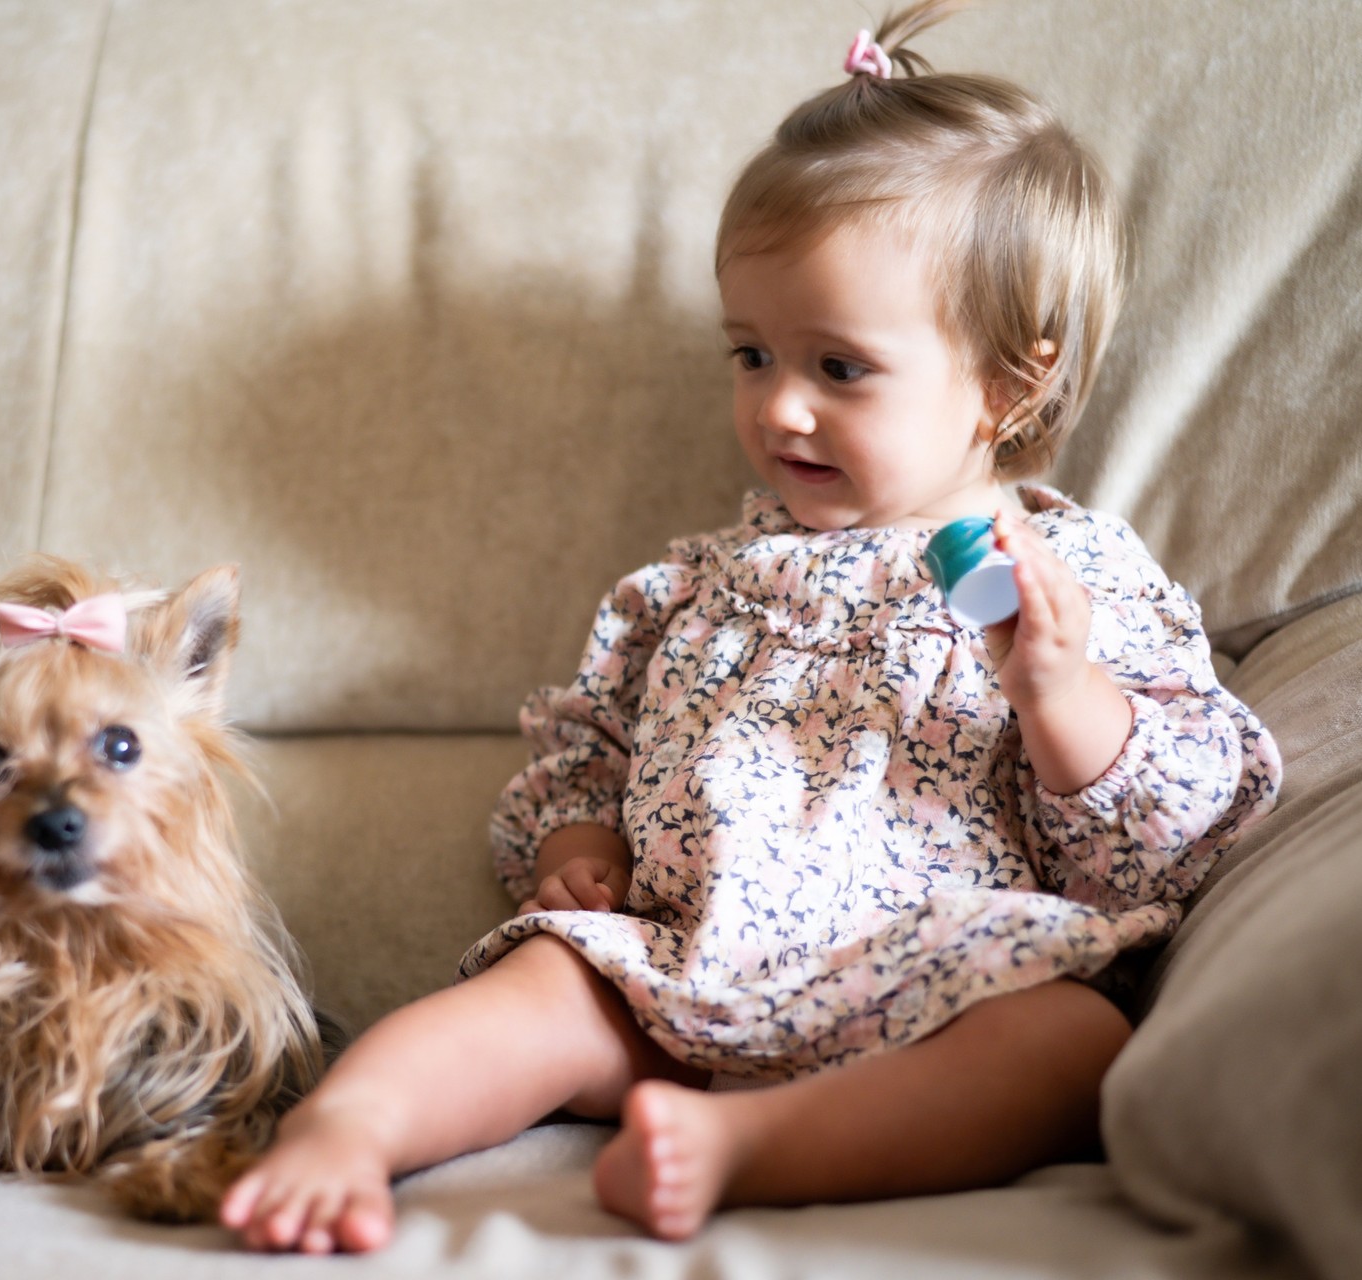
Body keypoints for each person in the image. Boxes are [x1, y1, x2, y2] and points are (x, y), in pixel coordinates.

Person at [219, 0, 1281, 1252]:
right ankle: (349, 1127)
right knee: (545, 983)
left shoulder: (1073, 576)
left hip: (933, 979)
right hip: (680, 974)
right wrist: (578, 840)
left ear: (1009, 383)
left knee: (1071, 1040)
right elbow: (585, 750)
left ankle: (749, 1148)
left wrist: (1057, 687)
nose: (780, 409)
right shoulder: (693, 585)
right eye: (750, 353)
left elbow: (1161, 846)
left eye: (839, 367)